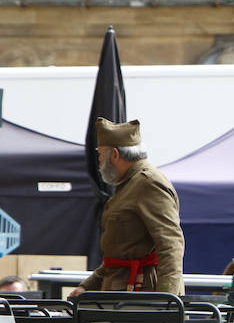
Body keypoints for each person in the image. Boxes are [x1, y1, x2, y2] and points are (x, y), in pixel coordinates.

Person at [70, 118, 184, 297]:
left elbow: (170, 245)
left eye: (100, 154)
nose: (99, 161)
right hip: (124, 293)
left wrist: (167, 300)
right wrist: (88, 286)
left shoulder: (149, 183)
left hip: (142, 294)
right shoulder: (128, 185)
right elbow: (121, 254)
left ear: (114, 155)